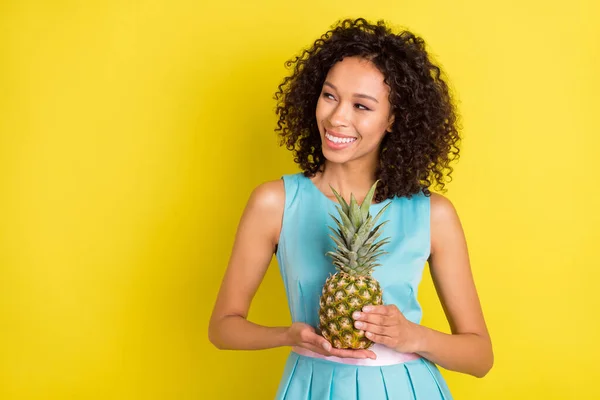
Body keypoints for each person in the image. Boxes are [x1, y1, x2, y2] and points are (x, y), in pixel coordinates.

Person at [208, 17, 493, 399]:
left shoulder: (432, 214)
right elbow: (223, 328)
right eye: (329, 96)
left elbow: (480, 357)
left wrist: (414, 335)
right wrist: (288, 335)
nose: (337, 117)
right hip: (313, 386)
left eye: (362, 105)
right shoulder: (274, 202)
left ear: (393, 119)